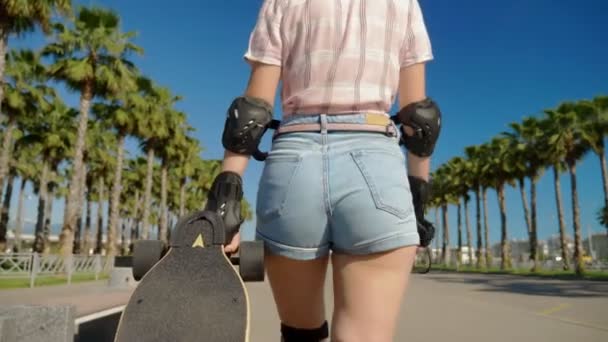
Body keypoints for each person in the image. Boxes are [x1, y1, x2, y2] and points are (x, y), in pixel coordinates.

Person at [205, 0, 441, 341]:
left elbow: (251, 112)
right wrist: (418, 199)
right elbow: (420, 119)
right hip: (375, 165)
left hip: (294, 168)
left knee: (301, 334)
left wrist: (225, 197)